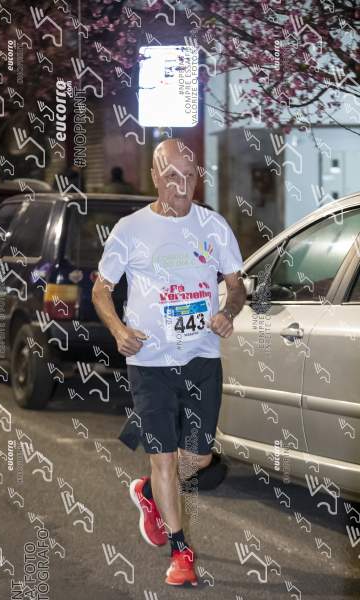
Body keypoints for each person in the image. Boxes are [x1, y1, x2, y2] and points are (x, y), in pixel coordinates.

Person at [92, 138, 246, 586]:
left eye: (189, 176)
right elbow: (101, 290)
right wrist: (119, 331)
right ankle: (180, 552)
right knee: (164, 459)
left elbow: (237, 285)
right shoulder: (130, 229)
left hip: (201, 357)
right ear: (155, 178)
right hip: (150, 361)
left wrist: (228, 311)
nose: (182, 185)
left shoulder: (213, 226)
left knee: (196, 458)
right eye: (172, 176)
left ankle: (147, 493)